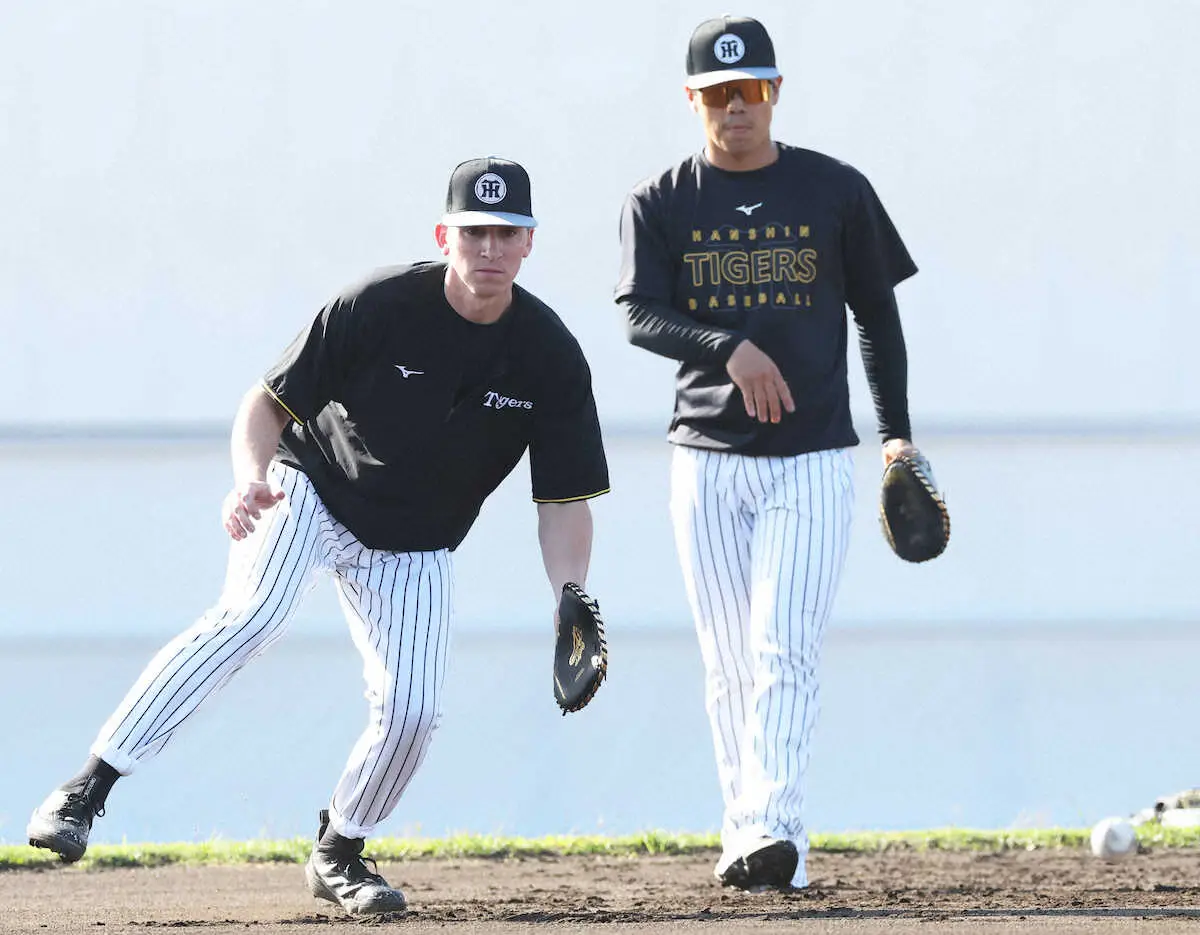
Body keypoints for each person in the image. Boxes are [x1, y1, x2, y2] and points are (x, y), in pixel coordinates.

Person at [27, 156, 610, 915]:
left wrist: (569, 592)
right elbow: (265, 405)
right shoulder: (379, 303)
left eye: (507, 232)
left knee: (414, 709)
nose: (489, 248)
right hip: (312, 487)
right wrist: (249, 476)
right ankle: (86, 787)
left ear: (530, 242)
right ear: (445, 234)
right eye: (474, 232)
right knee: (252, 615)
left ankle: (341, 848)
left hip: (416, 541)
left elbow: (562, 500)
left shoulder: (550, 355)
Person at [614, 16, 920, 891]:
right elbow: (639, 315)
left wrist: (896, 432)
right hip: (706, 457)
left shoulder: (835, 190)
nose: (733, 108)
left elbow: (877, 317)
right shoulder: (662, 199)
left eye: (748, 91)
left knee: (785, 645)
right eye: (717, 94)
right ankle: (744, 829)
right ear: (692, 100)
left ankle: (775, 826)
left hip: (814, 453)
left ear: (775, 92)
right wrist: (728, 348)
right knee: (728, 658)